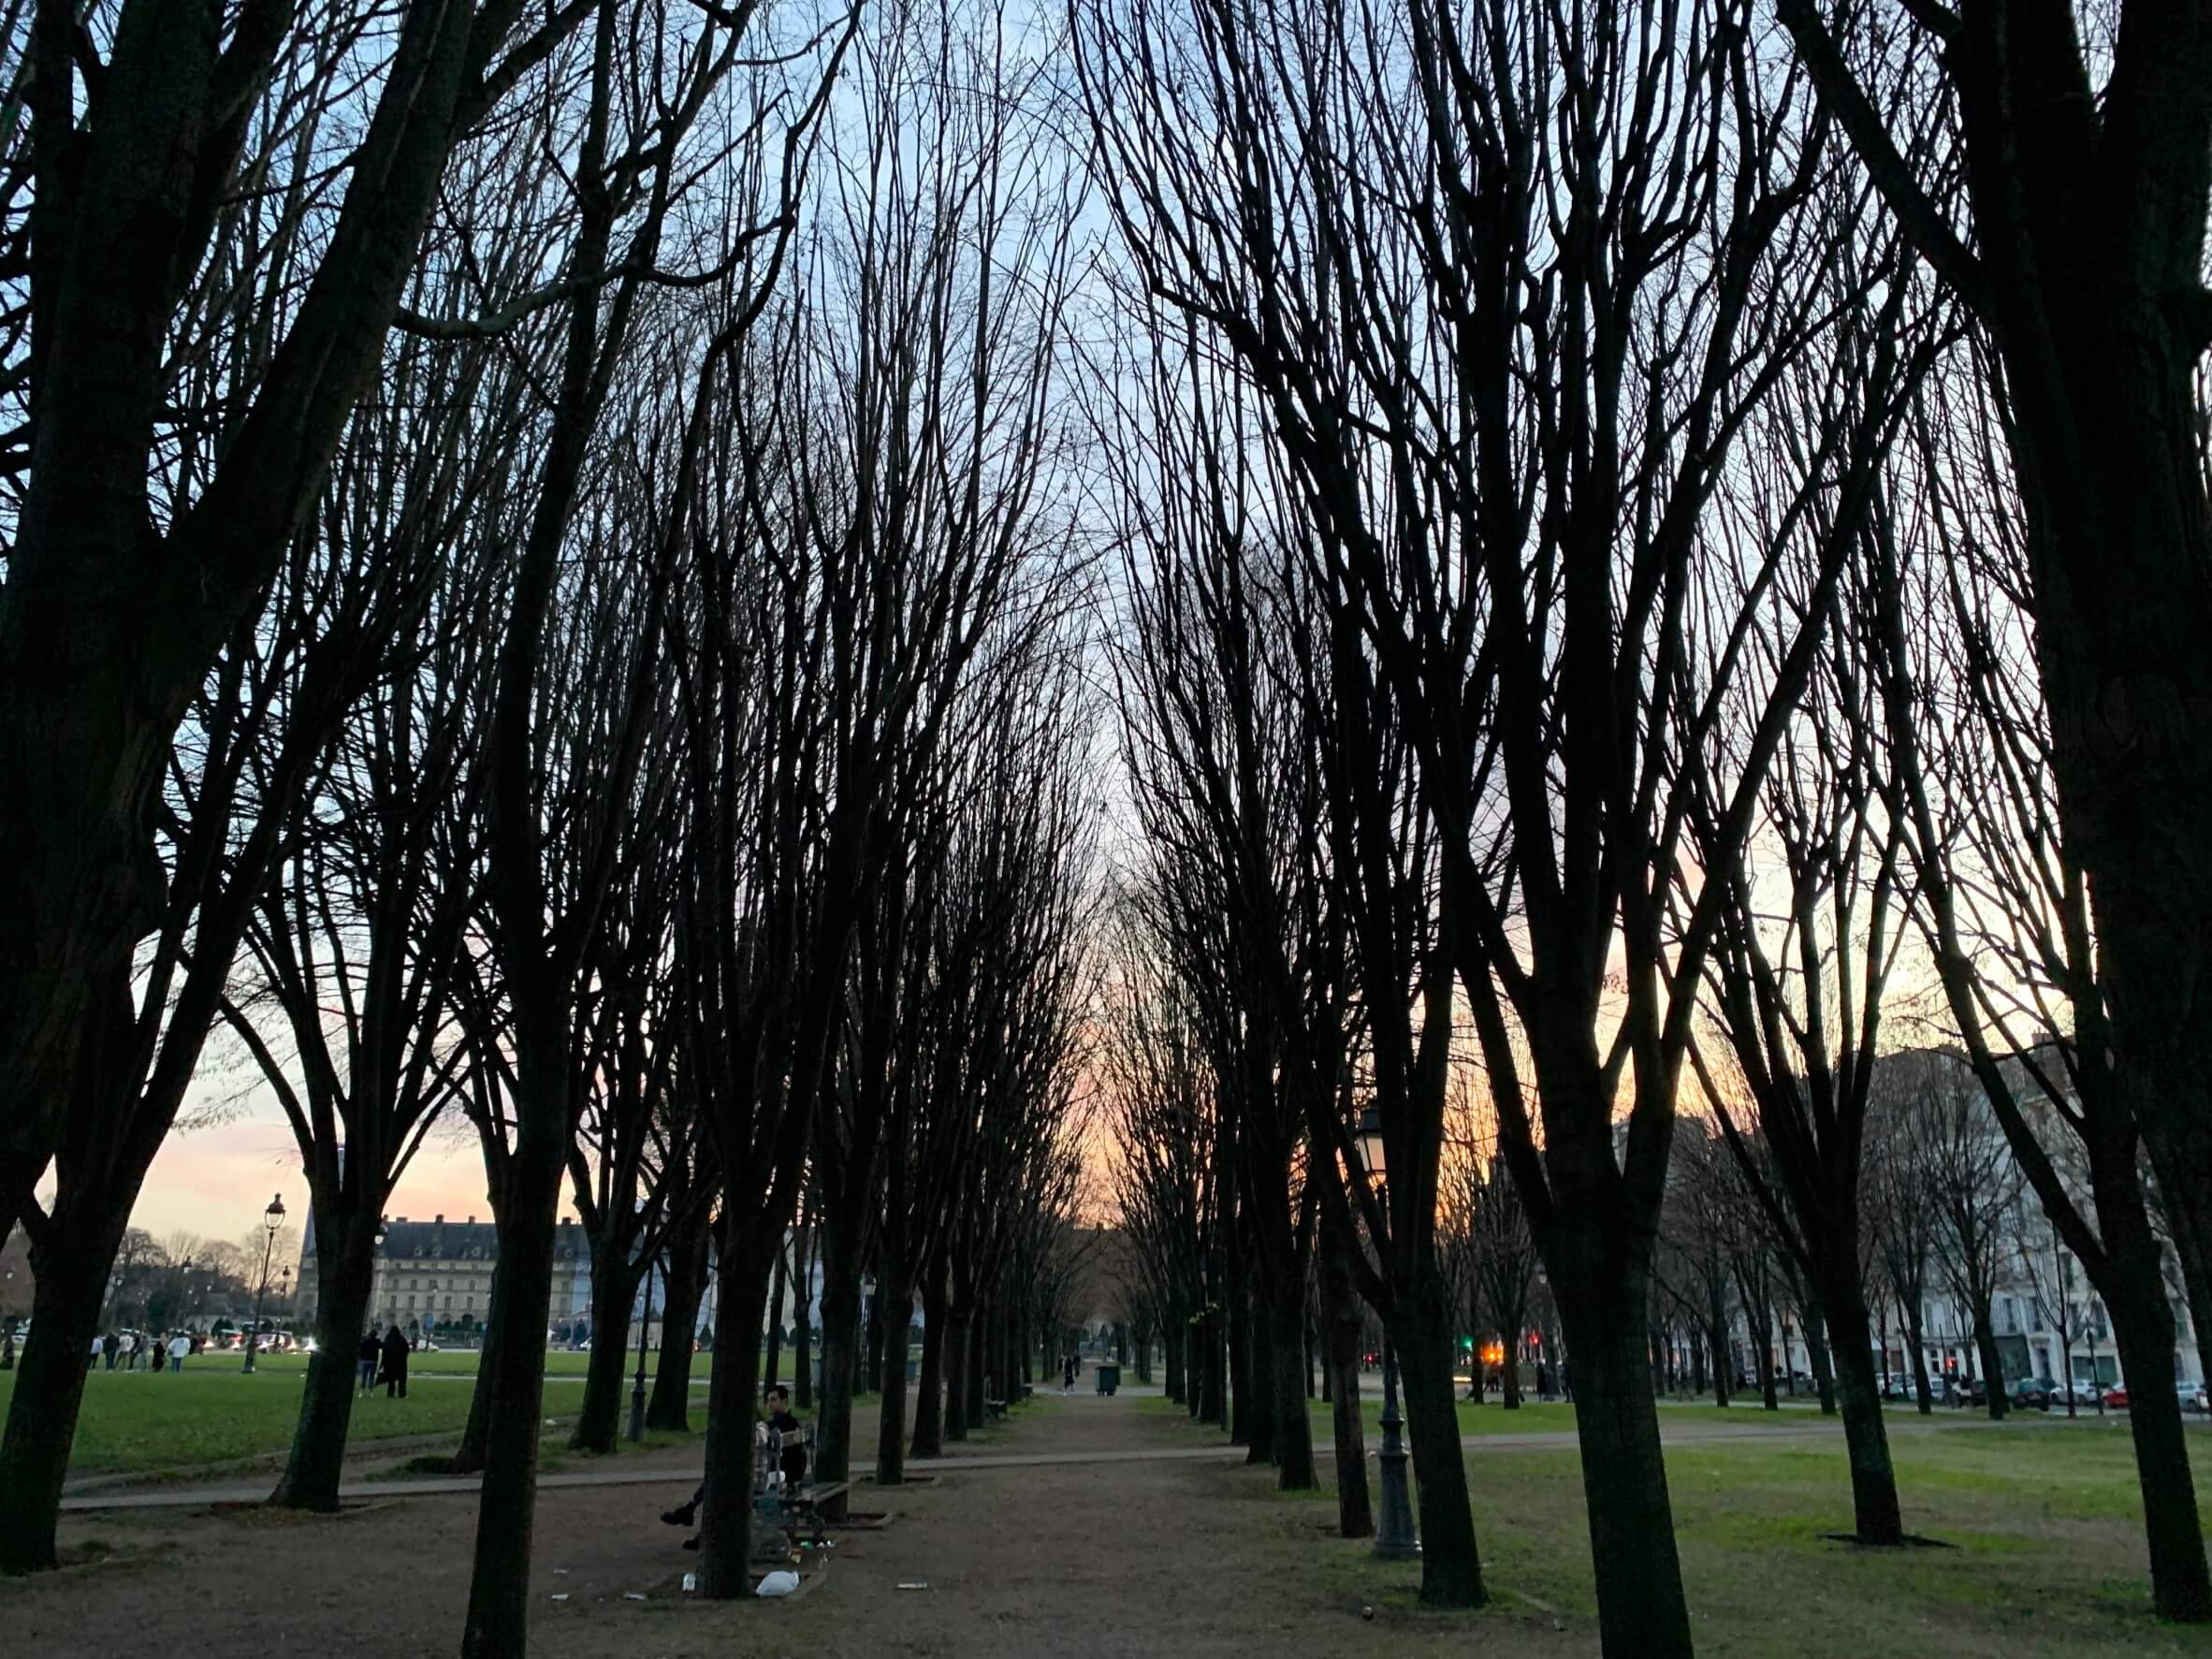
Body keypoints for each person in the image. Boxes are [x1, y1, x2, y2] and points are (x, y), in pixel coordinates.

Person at [380, 1324, 410, 1398]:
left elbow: (385, 1350)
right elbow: (407, 1349)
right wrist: (403, 1357)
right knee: (402, 1379)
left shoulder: (388, 1338)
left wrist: (383, 1362)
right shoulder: (401, 1338)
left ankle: (390, 1393)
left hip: (390, 1363)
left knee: (391, 1380)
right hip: (401, 1362)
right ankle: (402, 1393)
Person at [357, 1331, 380, 1395]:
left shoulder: (365, 1342)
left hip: (365, 1360)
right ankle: (371, 1392)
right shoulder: (376, 1342)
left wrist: (362, 1357)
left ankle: (361, 1391)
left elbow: (361, 1351)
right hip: (373, 1361)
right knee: (371, 1377)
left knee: (364, 1377)